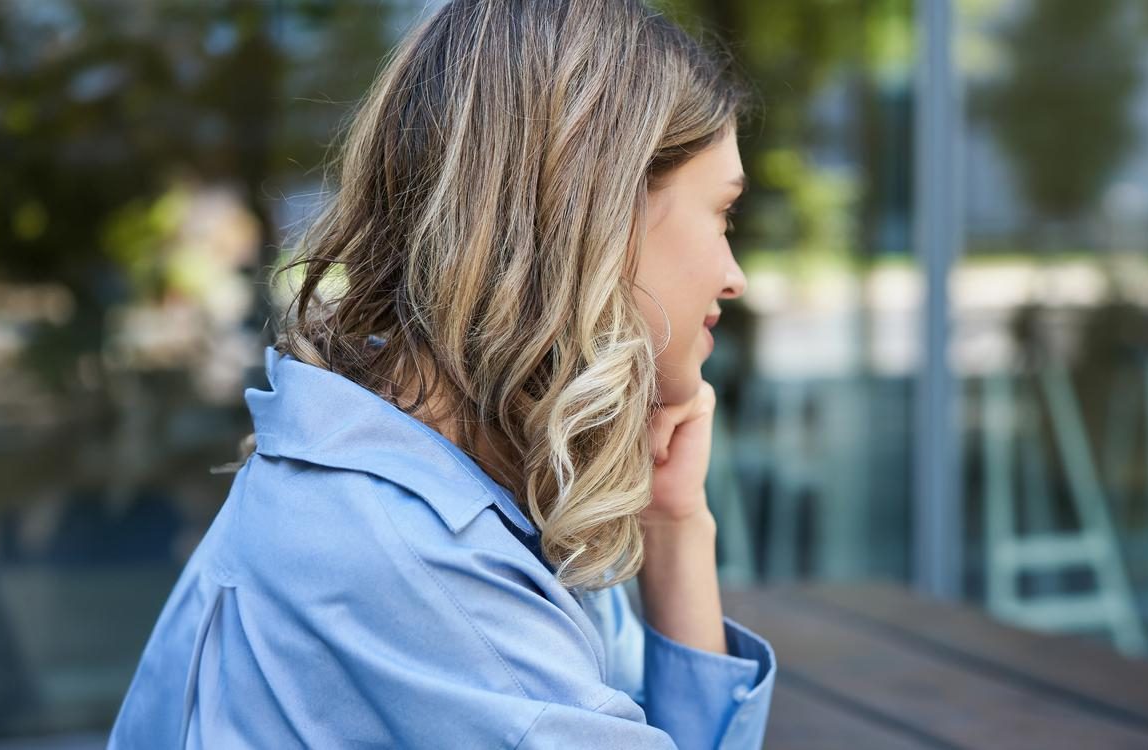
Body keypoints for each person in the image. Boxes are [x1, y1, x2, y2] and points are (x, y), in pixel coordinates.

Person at [108, 1, 768, 747]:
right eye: (722, 214)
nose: (733, 275)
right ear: (595, 218)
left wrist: (674, 525)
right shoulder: (412, 557)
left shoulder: (473, 477)